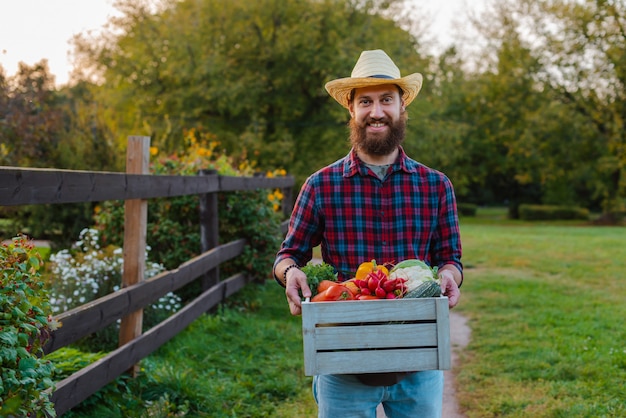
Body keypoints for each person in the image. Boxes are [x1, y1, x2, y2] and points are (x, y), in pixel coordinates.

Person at [273, 49, 463, 418]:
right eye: (366, 102)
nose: (376, 112)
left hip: (417, 355)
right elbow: (288, 255)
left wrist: (449, 276)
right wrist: (289, 273)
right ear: (351, 109)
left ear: (402, 107)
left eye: (386, 100)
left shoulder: (436, 186)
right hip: (343, 356)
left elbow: (450, 259)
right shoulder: (321, 185)